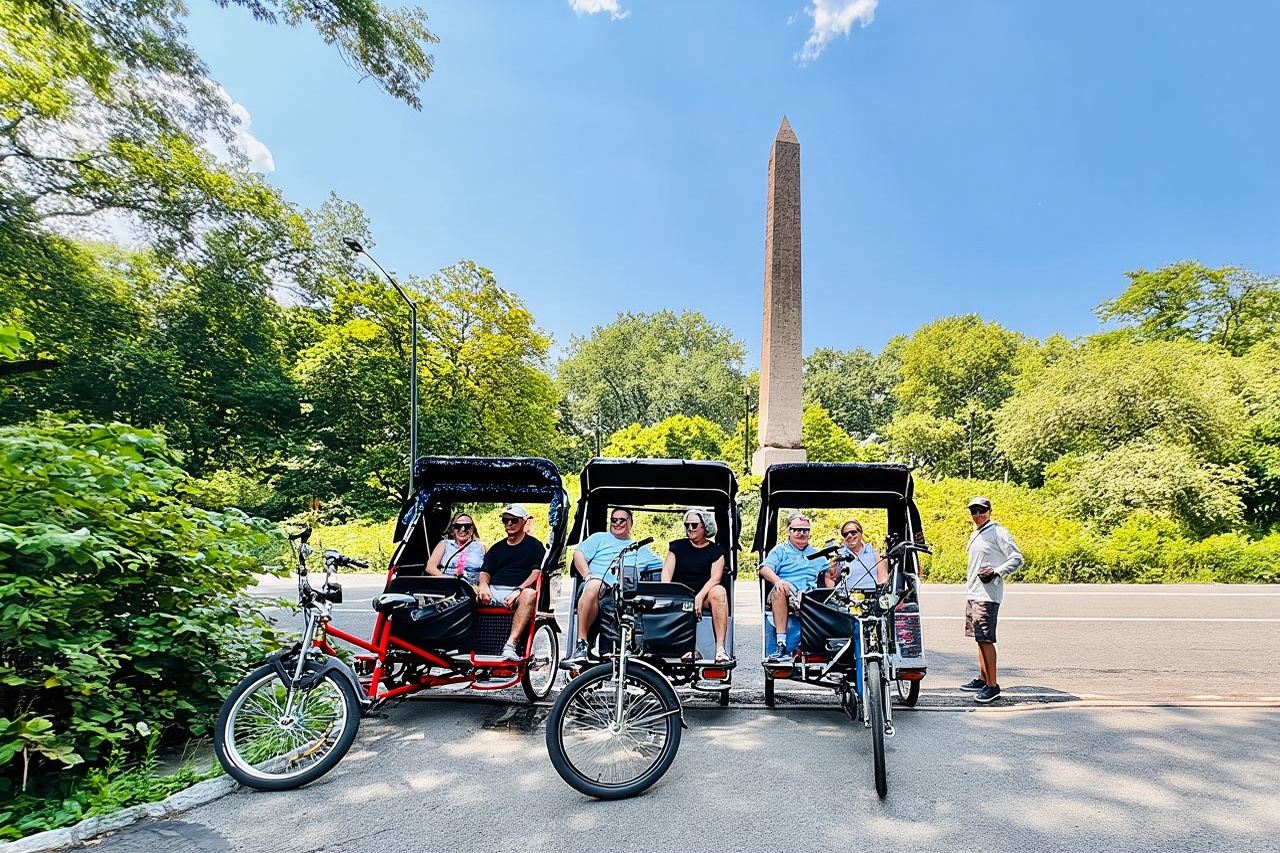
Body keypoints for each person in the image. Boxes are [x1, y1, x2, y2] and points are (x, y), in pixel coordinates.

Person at [564, 508, 662, 664]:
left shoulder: (640, 549)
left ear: (631, 523)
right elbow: (578, 554)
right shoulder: (599, 538)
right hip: (593, 585)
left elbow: (665, 565)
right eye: (614, 520)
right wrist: (588, 575)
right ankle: (581, 644)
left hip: (621, 594)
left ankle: (619, 650)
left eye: (622, 520)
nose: (617, 523)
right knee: (595, 585)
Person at [961, 496, 1023, 704]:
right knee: (979, 638)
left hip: (987, 594)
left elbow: (1017, 558)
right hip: (974, 592)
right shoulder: (977, 532)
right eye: (974, 511)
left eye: (981, 510)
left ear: (989, 511)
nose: (977, 514)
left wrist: (996, 571)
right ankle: (983, 678)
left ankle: (992, 685)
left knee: (986, 639)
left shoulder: (998, 531)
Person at [662, 508, 731, 663]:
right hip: (681, 594)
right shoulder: (676, 547)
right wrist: (668, 595)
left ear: (705, 526)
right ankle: (687, 649)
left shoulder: (716, 551)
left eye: (694, 525)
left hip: (704, 594)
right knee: (671, 596)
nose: (690, 528)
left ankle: (720, 649)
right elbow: (666, 575)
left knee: (719, 591)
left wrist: (698, 598)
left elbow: (715, 579)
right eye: (687, 525)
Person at [477, 504, 545, 662]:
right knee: (464, 592)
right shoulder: (497, 548)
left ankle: (510, 645)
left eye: (513, 520)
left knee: (530, 594)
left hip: (518, 590)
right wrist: (483, 587)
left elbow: (536, 572)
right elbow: (485, 572)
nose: (509, 524)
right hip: (493, 589)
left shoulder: (535, 546)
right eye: (505, 520)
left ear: (523, 521)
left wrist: (519, 590)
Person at [759, 513, 820, 661]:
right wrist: (778, 581)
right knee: (780, 589)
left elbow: (830, 575)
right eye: (797, 530)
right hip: (787, 592)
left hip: (811, 595)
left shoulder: (817, 554)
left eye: (805, 530)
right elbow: (764, 569)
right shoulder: (780, 550)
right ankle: (781, 643)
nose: (801, 533)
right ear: (789, 531)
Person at [822, 519, 887, 592]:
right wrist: (836, 592)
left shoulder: (874, 553)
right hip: (848, 596)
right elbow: (828, 576)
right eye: (845, 534)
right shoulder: (840, 555)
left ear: (860, 533)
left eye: (853, 532)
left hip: (871, 595)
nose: (849, 536)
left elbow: (883, 577)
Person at [424, 511, 486, 584]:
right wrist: (446, 580)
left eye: (467, 526)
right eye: (458, 526)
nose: (462, 530)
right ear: (453, 529)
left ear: (472, 529)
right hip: (447, 585)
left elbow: (489, 571)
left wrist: (482, 585)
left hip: (473, 587)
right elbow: (430, 567)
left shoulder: (482, 547)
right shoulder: (444, 544)